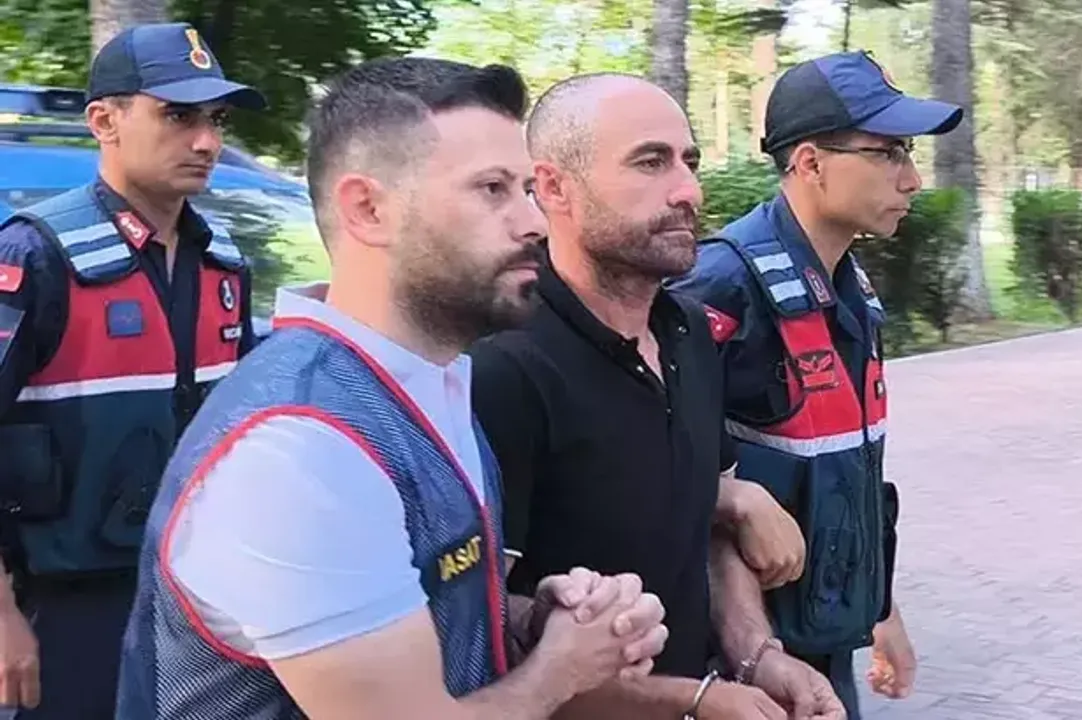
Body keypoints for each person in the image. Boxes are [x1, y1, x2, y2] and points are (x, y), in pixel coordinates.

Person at [115, 56, 669, 720]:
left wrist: (529, 621)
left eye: (526, 189)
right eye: (492, 189)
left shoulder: (431, 380)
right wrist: (560, 668)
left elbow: (417, 608)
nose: (536, 223)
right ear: (369, 209)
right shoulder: (300, 451)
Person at [470, 72, 844, 720]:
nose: (688, 190)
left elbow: (705, 528)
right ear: (553, 188)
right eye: (650, 162)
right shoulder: (503, 364)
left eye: (689, 162)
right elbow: (482, 621)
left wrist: (758, 656)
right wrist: (692, 700)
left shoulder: (688, 331)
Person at [668, 50, 964, 717]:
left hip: (824, 638)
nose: (913, 179)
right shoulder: (720, 286)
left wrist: (882, 610)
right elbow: (642, 460)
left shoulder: (849, 291)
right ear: (810, 164)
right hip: (738, 657)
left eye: (909, 153)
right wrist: (732, 497)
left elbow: (851, 473)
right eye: (887, 153)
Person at [0, 22, 265, 719]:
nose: (206, 141)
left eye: (216, 120)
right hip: (61, 609)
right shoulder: (36, 256)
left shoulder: (224, 265)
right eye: (178, 116)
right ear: (104, 122)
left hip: (195, 600)